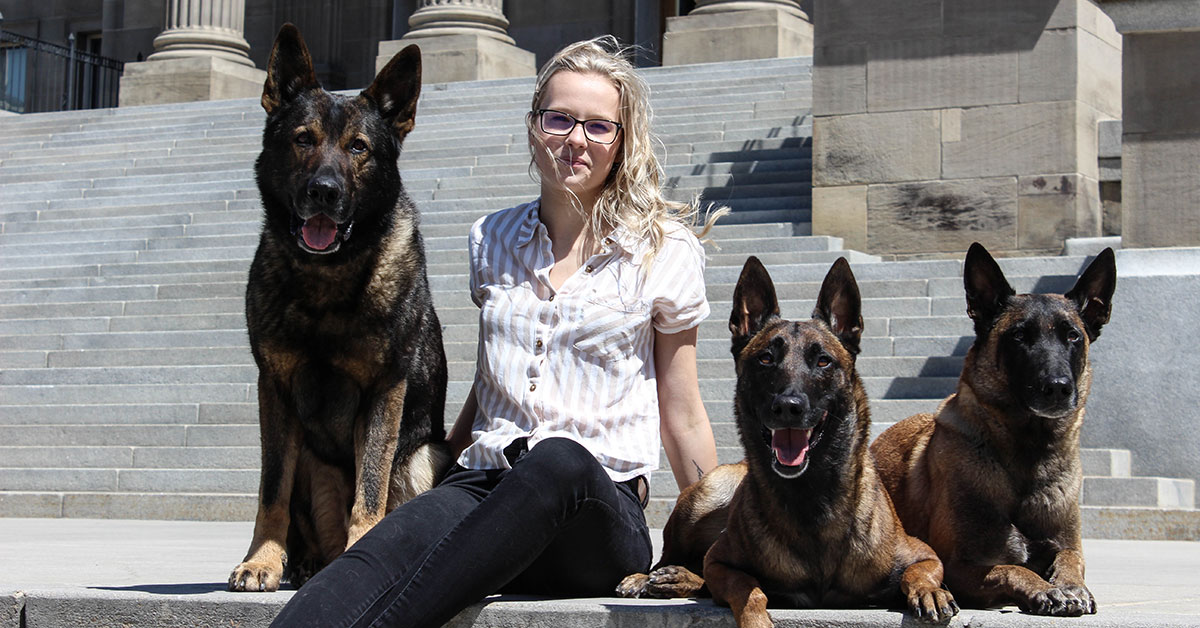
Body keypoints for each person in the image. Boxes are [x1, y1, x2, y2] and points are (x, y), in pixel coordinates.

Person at [269, 35, 725, 628]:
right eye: (559, 118)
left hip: (593, 514)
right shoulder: (492, 241)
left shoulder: (663, 251)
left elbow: (683, 412)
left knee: (557, 461)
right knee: (375, 551)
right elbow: (494, 383)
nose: (575, 139)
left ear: (622, 140)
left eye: (598, 126)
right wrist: (438, 479)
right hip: (486, 485)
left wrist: (721, 540)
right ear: (535, 126)